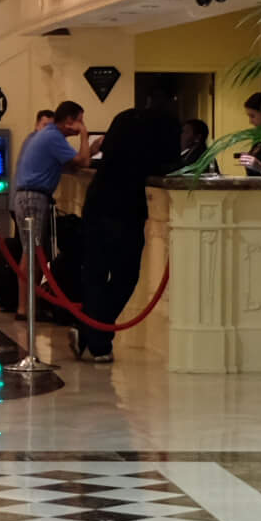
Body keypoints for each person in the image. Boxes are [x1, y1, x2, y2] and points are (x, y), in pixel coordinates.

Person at [65, 100, 192, 362]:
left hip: (98, 203)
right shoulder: (165, 127)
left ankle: (93, 335)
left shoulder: (123, 119)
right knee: (126, 277)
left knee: (95, 274)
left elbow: (109, 152)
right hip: (127, 210)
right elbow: (170, 164)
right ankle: (95, 336)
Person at [13, 100, 86, 255]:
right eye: (80, 121)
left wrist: (89, 151)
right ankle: (29, 280)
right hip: (33, 198)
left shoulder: (49, 134)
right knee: (32, 252)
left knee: (34, 251)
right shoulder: (54, 136)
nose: (81, 125)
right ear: (69, 121)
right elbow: (83, 161)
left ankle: (31, 280)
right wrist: (85, 135)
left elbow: (72, 165)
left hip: (27, 196)